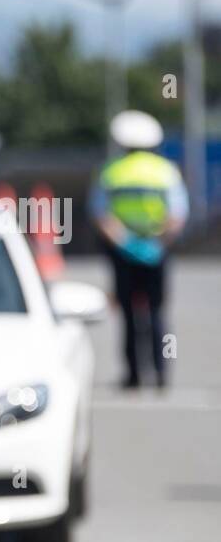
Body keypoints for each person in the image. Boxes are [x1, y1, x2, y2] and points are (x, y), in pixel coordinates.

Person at [89, 110, 189, 389]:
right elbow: (177, 215)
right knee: (157, 312)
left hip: (122, 251)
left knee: (129, 314)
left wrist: (126, 243)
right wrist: (157, 243)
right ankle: (161, 373)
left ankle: (133, 375)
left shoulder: (111, 170)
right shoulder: (166, 171)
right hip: (157, 250)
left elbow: (101, 214)